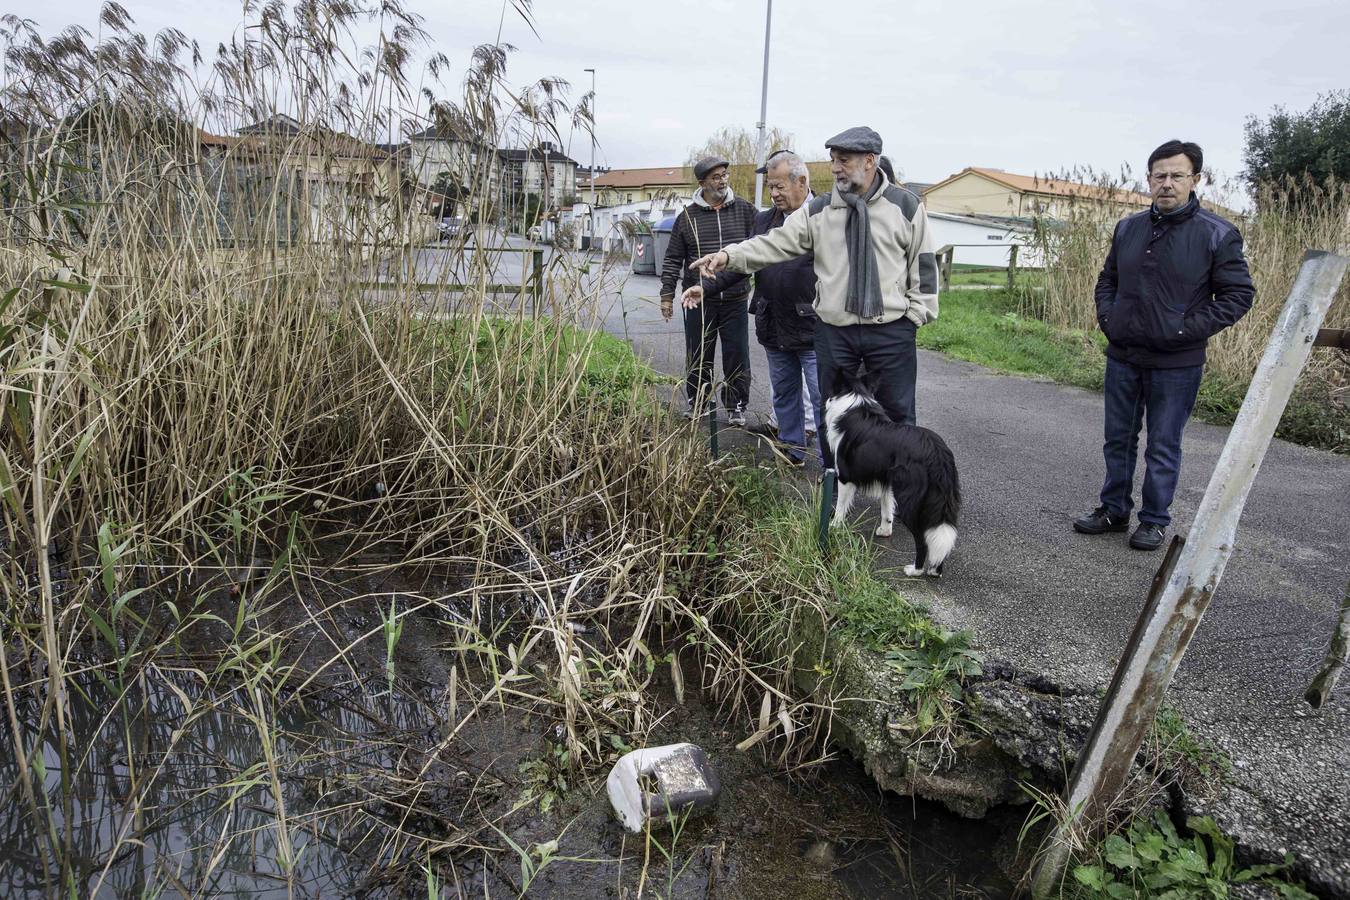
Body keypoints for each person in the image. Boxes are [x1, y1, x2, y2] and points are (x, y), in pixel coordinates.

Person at [687, 127, 938, 466]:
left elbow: (923, 264)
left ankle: (899, 495)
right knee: (831, 414)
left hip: (891, 330)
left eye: (843, 161)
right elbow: (774, 242)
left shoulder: (904, 206)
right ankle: (834, 492)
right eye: (833, 160)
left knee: (897, 415)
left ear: (869, 161)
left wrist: (915, 316)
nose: (835, 168)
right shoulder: (820, 209)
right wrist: (729, 256)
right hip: (835, 332)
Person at [1073, 139, 1254, 551]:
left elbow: (1238, 295)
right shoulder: (1129, 228)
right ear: (1149, 180)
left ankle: (1153, 520)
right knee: (1117, 439)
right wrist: (1110, 320)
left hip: (1176, 363)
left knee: (1163, 445)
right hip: (1123, 355)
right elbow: (1108, 281)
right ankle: (1113, 509)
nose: (1167, 183)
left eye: (1177, 175)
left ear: (1196, 179)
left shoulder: (1217, 234)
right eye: (1160, 175)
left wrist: (1182, 330)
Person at [659, 156, 757, 424]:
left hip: (735, 297)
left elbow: (761, 249)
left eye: (725, 174)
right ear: (702, 183)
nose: (723, 180)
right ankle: (698, 403)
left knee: (737, 355)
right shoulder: (687, 218)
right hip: (697, 300)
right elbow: (672, 259)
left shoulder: (746, 211)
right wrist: (667, 296)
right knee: (699, 354)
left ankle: (737, 406)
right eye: (716, 177)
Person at [743, 150, 821, 464]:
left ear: (801, 181)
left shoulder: (824, 216)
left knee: (823, 399)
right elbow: (745, 260)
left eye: (779, 187)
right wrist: (706, 286)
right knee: (785, 393)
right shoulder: (764, 219)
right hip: (773, 323)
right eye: (770, 187)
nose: (773, 193)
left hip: (814, 327)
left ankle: (833, 468)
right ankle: (793, 450)